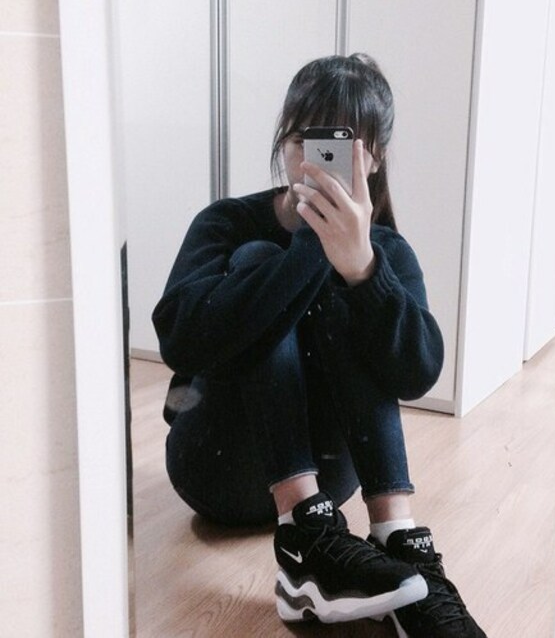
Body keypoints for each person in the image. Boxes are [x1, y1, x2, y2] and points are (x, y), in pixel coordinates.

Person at [152, 53, 486, 637]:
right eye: (305, 139)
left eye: (340, 145)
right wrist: (311, 245)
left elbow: (417, 373)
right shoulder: (226, 222)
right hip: (215, 465)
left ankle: (397, 538)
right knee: (259, 258)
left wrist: (363, 270)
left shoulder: (385, 250)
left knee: (351, 291)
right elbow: (181, 341)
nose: (317, 159)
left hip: (333, 480)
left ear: (373, 157)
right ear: (284, 142)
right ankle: (302, 536)